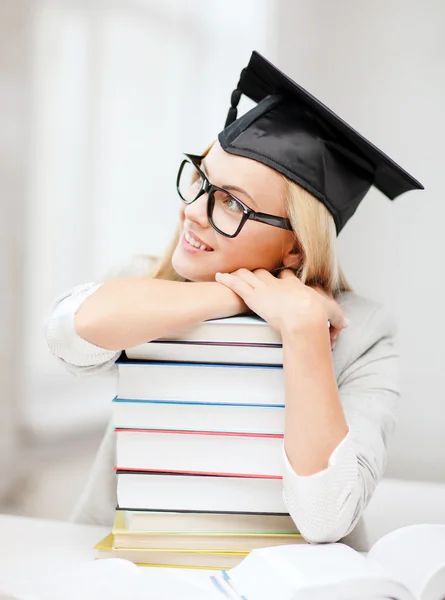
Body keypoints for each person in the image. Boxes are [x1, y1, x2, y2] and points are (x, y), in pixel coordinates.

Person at [45, 51, 423, 549]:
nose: (192, 213)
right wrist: (231, 294)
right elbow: (69, 334)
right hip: (134, 569)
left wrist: (304, 332)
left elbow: (325, 515)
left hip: (287, 581)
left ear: (295, 245)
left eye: (231, 203)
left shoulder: (364, 334)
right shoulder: (143, 286)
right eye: (202, 180)